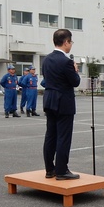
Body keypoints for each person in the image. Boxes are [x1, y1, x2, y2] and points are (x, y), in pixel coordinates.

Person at [42, 28, 81, 180]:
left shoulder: (46, 59)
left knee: (50, 135)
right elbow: (75, 82)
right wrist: (75, 70)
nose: (70, 44)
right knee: (63, 136)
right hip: (63, 101)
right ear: (66, 42)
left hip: (49, 99)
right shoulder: (66, 62)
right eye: (70, 42)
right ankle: (61, 170)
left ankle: (49, 169)